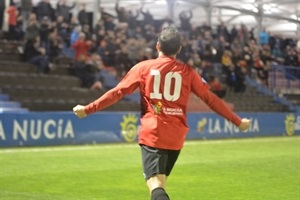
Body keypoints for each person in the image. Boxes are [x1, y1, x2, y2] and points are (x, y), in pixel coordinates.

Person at [73, 27, 250, 200]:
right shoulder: (188, 72)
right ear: (179, 49)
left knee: (155, 186)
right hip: (176, 137)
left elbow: (117, 93)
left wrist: (88, 109)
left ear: (157, 46)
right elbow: (211, 99)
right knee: (160, 185)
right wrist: (237, 121)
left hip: (154, 134)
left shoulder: (143, 68)